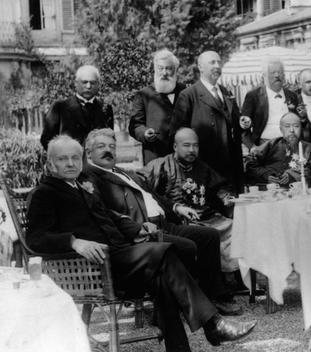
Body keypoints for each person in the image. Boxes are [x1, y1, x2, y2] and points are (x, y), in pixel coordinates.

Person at [28, 135, 256, 352]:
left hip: (119, 257)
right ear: (51, 163)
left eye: (75, 158)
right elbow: (35, 239)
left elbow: (110, 216)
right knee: (165, 253)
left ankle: (182, 347)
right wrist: (74, 242)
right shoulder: (46, 193)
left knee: (163, 280)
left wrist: (137, 228)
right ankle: (212, 324)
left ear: (81, 160)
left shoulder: (80, 187)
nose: (70, 163)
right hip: (94, 267)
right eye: (62, 158)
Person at [83, 128, 242, 316]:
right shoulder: (91, 177)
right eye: (101, 147)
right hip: (143, 229)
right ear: (88, 152)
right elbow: (105, 212)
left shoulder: (124, 172)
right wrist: (136, 228)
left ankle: (214, 296)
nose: (108, 150)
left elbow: (156, 197)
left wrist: (176, 207)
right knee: (187, 246)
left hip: (164, 223)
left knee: (208, 235)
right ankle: (179, 305)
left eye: (112, 146)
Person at [141, 128, 238, 273]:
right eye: (186, 145)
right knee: (207, 234)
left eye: (195, 145)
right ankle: (211, 280)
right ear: (175, 146)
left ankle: (233, 277)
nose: (192, 150)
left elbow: (219, 186)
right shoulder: (160, 165)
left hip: (207, 216)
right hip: (179, 220)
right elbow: (140, 183)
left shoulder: (202, 167)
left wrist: (226, 197)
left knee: (236, 228)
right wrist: (172, 206)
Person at [172, 51, 244, 193]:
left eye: (219, 62)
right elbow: (178, 132)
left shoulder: (226, 92)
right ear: (201, 67)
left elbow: (234, 122)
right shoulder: (189, 95)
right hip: (207, 165)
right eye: (212, 62)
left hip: (232, 164)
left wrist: (243, 121)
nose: (217, 66)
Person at [129, 49, 186, 164]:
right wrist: (145, 133)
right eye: (161, 68)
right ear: (155, 70)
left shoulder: (185, 92)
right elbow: (135, 126)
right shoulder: (143, 95)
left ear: (175, 70)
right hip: (155, 158)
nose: (164, 73)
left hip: (183, 156)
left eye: (168, 68)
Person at [41, 65, 114, 148]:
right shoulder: (60, 107)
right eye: (84, 82)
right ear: (76, 83)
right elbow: (47, 139)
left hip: (96, 160)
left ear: (98, 84)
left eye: (92, 83)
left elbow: (110, 140)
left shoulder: (106, 109)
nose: (88, 86)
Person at [240, 58, 300, 151]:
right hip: (264, 146)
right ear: (264, 76)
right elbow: (243, 126)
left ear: (284, 75)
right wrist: (252, 147)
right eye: (273, 72)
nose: (277, 75)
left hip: (290, 145)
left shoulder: (292, 96)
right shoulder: (253, 96)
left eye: (280, 72)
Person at [245, 113, 311, 186]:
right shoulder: (272, 144)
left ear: (301, 128)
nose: (292, 130)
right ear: (281, 129)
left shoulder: (309, 148)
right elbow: (250, 163)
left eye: (296, 126)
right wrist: (266, 175)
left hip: (297, 191)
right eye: (287, 126)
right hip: (271, 190)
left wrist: (292, 175)